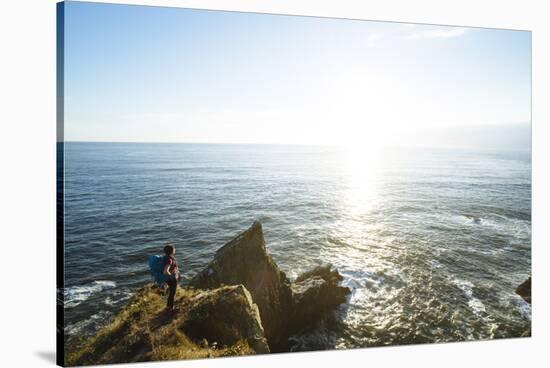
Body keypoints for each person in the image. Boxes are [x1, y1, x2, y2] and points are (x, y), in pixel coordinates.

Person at [162, 244, 180, 311]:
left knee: (171, 293)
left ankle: (168, 307)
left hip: (168, 279)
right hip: (171, 279)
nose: (175, 249)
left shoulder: (165, 257)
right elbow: (165, 271)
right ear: (172, 251)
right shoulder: (170, 260)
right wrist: (171, 274)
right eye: (174, 248)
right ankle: (171, 308)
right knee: (172, 293)